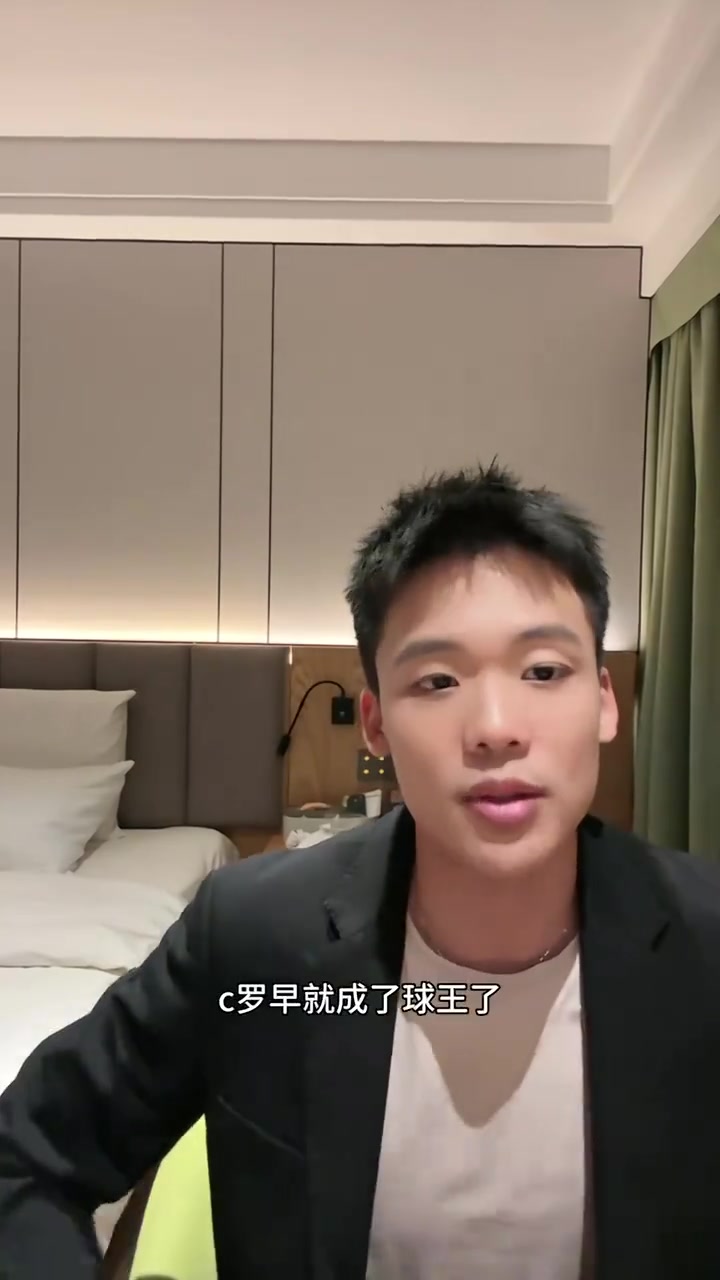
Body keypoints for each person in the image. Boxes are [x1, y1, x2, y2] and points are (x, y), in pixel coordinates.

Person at [2, 460, 720, 1280]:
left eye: (544, 671)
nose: (495, 727)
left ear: (605, 701)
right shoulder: (253, 937)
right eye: (438, 680)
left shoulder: (705, 943)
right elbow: (25, 1162)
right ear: (374, 723)